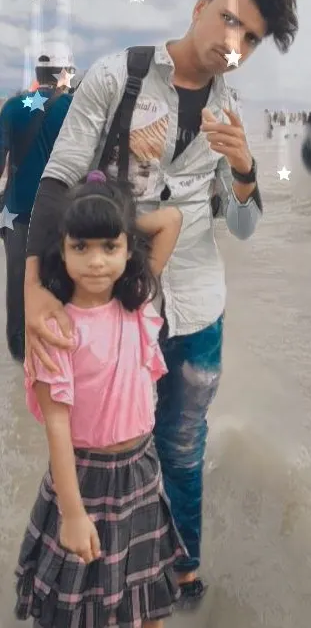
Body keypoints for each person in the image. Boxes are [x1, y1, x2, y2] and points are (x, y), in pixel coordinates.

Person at [23, 0, 299, 606]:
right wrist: (34, 288)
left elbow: (243, 225)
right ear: (199, 5)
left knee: (179, 448)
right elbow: (59, 179)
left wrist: (244, 172)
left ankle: (178, 571)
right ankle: (88, 572)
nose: (233, 43)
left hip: (196, 307)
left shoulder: (231, 107)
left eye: (250, 37)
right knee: (96, 445)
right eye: (229, 19)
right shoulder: (117, 77)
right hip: (106, 305)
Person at [15, 171, 185, 628]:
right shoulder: (54, 328)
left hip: (141, 471)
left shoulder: (139, 304)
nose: (96, 262)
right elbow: (57, 427)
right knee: (77, 606)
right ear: (62, 251)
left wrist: (114, 212)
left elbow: (170, 219)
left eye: (109, 247)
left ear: (129, 249)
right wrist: (71, 513)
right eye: (80, 247)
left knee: (146, 598)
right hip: (84, 478)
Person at [0, 47, 75, 362]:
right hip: (61, 213)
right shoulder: (73, 107)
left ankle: (19, 351)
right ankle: (58, 345)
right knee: (60, 278)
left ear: (38, 75)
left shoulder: (13, 108)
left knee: (18, 280)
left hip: (15, 213)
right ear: (63, 75)